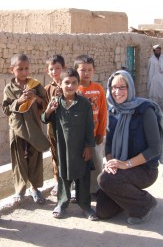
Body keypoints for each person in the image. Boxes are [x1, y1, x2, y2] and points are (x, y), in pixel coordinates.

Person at [96, 70, 163, 225]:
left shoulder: (145, 110)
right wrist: (110, 163)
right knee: (102, 211)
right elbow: (108, 145)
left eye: (122, 87)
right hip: (120, 169)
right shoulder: (114, 111)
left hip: (144, 169)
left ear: (130, 88)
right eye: (114, 87)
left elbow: (155, 149)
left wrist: (124, 164)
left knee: (105, 180)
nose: (117, 92)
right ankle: (129, 198)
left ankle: (145, 203)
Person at [41, 68, 97, 220]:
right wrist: (48, 110)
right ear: (60, 83)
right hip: (63, 148)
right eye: (67, 82)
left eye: (74, 83)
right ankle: (62, 203)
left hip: (80, 148)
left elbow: (89, 126)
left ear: (78, 84)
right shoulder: (56, 103)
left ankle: (85, 206)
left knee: (83, 176)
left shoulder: (84, 104)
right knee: (63, 175)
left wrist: (88, 146)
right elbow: (45, 119)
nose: (70, 86)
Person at [2, 53, 50, 204]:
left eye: (26, 69)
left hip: (34, 128)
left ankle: (35, 188)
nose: (24, 72)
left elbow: (46, 103)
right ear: (12, 70)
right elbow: (6, 109)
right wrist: (19, 101)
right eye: (20, 69)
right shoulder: (9, 88)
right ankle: (20, 189)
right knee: (19, 160)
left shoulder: (35, 86)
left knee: (35, 159)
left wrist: (35, 98)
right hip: (18, 130)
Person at [74, 54, 107, 196]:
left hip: (94, 135)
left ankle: (96, 189)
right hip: (78, 137)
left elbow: (103, 113)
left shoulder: (98, 89)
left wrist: (101, 132)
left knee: (96, 163)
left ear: (94, 70)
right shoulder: (75, 89)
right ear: (76, 71)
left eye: (89, 70)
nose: (86, 73)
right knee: (77, 163)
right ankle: (77, 191)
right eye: (83, 70)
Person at [44, 54, 66, 197]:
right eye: (51, 69)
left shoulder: (69, 84)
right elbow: (44, 109)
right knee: (55, 155)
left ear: (63, 68)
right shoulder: (47, 88)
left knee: (70, 154)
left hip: (68, 128)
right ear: (48, 71)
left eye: (57, 68)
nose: (54, 72)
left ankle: (71, 181)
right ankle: (58, 182)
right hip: (53, 128)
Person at [147, 44, 163, 111]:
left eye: (159, 50)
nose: (158, 51)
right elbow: (149, 69)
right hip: (154, 78)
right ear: (154, 51)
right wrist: (150, 79)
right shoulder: (151, 60)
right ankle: (154, 107)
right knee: (154, 93)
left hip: (162, 77)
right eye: (156, 50)